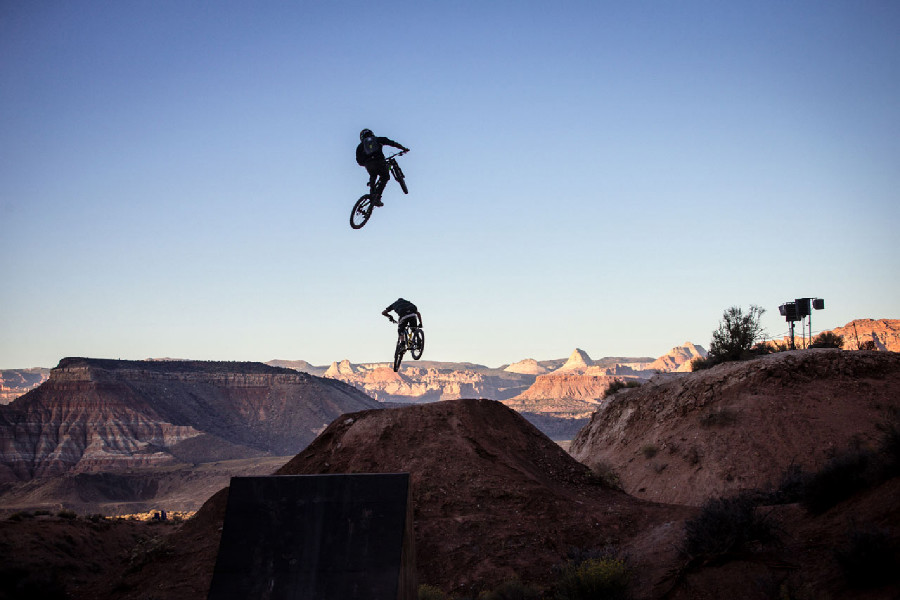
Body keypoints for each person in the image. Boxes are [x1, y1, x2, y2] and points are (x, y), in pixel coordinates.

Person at [356, 128, 409, 206]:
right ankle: (377, 198)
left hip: (369, 165)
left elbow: (359, 161)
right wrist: (403, 148)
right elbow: (392, 143)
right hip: (380, 161)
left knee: (373, 175)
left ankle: (372, 194)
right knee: (385, 177)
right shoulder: (378, 139)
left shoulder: (360, 146)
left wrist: (366, 164)